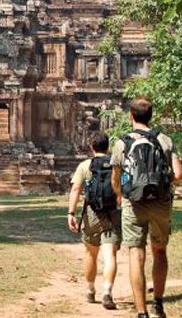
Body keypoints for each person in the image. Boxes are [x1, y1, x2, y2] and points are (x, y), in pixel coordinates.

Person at [111, 97, 182, 318]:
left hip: (134, 203)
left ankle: (141, 311)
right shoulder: (165, 140)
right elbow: (179, 174)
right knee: (160, 251)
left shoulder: (122, 143)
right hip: (161, 202)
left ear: (130, 116)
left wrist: (120, 196)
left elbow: (115, 179)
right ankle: (159, 304)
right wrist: (162, 184)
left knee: (136, 254)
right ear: (151, 115)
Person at [67, 131, 121, 310]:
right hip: (112, 212)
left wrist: (71, 213)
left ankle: (90, 290)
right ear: (108, 147)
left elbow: (75, 190)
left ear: (92, 147)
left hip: (91, 213)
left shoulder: (85, 165)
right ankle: (107, 291)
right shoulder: (116, 164)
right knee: (110, 254)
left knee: (91, 253)